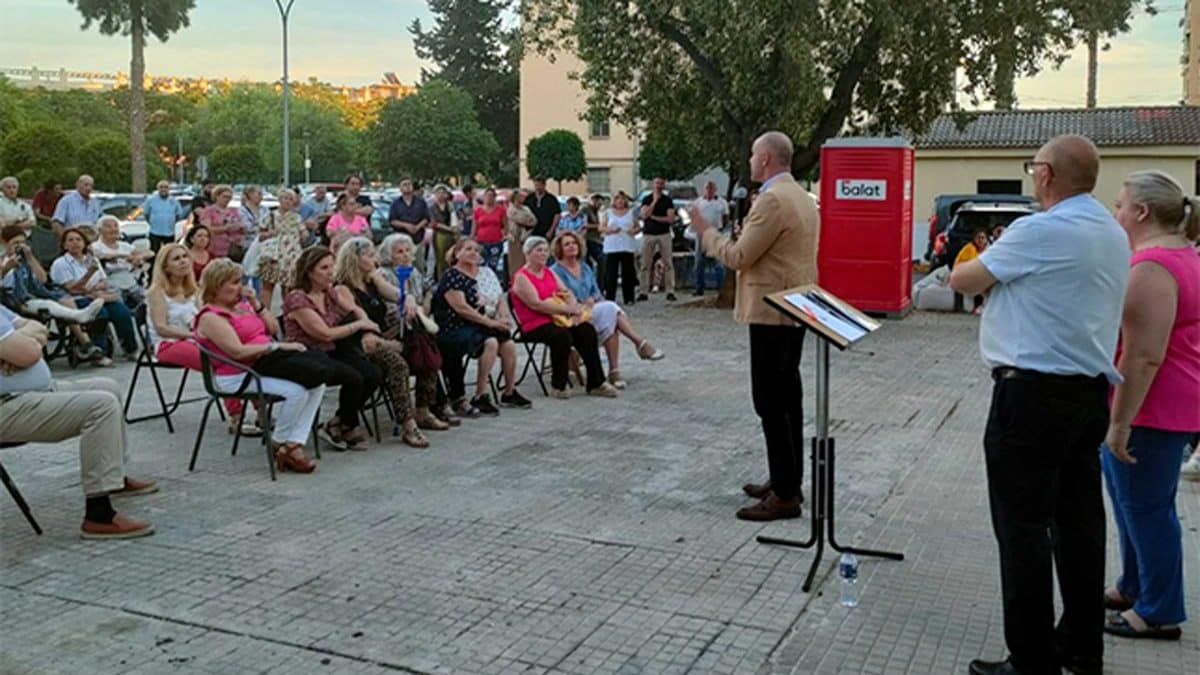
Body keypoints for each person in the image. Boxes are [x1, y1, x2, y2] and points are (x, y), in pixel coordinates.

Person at [949, 135, 1130, 675]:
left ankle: (1030, 658)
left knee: (1022, 529)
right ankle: (1081, 645)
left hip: (1029, 395)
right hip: (1088, 392)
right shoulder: (1109, 231)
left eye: (1034, 169)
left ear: (1047, 173)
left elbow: (964, 279)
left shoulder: (1040, 229)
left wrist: (989, 256)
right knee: (1079, 525)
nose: (1032, 178)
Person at [688, 131, 817, 522]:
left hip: (771, 311)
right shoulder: (800, 196)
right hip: (794, 306)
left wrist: (704, 231)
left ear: (765, 159)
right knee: (787, 396)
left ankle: (785, 495)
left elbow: (739, 256)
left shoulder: (773, 200)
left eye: (752, 154)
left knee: (770, 401)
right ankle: (786, 480)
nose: (748, 160)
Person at [1100, 170, 1199, 642]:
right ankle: (1134, 585)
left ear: (1140, 211)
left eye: (1120, 204)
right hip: (1166, 403)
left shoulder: (1153, 267)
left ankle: (1159, 610)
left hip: (1152, 408)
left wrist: (1120, 422)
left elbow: (1143, 354)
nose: (1115, 213)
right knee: (1133, 504)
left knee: (1148, 508)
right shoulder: (1181, 256)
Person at [0, 303, 158, 538]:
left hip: (33, 392)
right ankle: (99, 513)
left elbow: (37, 328)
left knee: (108, 387)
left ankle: (112, 477)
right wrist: (26, 344)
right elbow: (30, 353)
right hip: (7, 405)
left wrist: (23, 340)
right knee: (100, 406)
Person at [194, 259, 325, 473]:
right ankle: (281, 444)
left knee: (316, 383)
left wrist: (257, 304)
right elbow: (236, 351)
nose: (241, 287)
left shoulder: (243, 306)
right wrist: (274, 347)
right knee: (297, 393)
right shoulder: (211, 317)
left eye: (241, 281)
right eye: (234, 282)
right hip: (237, 374)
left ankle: (290, 444)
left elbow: (273, 328)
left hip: (262, 366)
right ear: (217, 286)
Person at [336, 237, 449, 445]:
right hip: (360, 343)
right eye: (370, 256)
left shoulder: (372, 281)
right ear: (355, 259)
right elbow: (363, 323)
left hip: (381, 336)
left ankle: (423, 409)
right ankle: (408, 424)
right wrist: (386, 342)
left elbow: (398, 295)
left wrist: (409, 299)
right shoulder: (343, 288)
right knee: (398, 365)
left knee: (424, 347)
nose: (375, 259)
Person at [146, 244, 256, 435]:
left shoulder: (194, 290)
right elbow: (161, 328)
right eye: (177, 259)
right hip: (168, 344)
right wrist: (192, 335)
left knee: (240, 352)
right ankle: (236, 416)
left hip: (196, 338)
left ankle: (260, 409)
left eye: (185, 257)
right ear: (165, 267)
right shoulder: (157, 292)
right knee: (219, 359)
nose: (183, 262)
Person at [283, 246, 380, 450]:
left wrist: (366, 325)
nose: (330, 272)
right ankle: (348, 425)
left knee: (373, 374)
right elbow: (323, 333)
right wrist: (359, 325)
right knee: (353, 377)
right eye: (324, 268)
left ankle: (337, 422)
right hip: (307, 354)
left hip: (332, 349)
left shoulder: (329, 291)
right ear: (309, 271)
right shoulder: (297, 298)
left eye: (332, 266)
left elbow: (354, 309)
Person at [549, 231, 663, 388]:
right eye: (567, 244)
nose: (571, 246)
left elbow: (596, 292)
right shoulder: (555, 271)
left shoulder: (585, 267)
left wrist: (592, 300)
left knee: (611, 317)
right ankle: (638, 345)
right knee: (611, 310)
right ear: (560, 249)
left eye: (574, 243)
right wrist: (583, 303)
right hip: (572, 314)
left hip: (591, 309)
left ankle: (616, 370)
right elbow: (560, 297)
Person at [511, 236, 618, 399]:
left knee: (586, 330)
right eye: (538, 250)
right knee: (561, 335)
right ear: (527, 253)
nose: (543, 254)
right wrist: (566, 310)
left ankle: (596, 382)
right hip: (535, 322)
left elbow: (566, 292)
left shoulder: (548, 272)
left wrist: (574, 309)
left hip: (558, 318)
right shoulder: (521, 277)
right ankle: (558, 385)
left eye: (545, 251)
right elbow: (536, 304)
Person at [432, 237, 529, 415]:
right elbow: (462, 309)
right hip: (454, 326)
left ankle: (509, 391)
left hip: (476, 324)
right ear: (457, 253)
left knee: (507, 342)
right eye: (468, 249)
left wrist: (503, 318)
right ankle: (480, 394)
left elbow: (499, 298)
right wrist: (492, 322)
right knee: (490, 342)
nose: (474, 253)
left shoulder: (482, 273)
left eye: (477, 250)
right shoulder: (452, 275)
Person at [379, 233, 460, 426]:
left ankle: (430, 406)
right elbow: (389, 309)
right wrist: (413, 313)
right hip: (395, 328)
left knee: (432, 346)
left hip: (417, 325)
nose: (405, 255)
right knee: (430, 348)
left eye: (408, 251)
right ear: (389, 255)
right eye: (399, 252)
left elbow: (428, 290)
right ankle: (436, 405)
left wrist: (424, 306)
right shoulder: (384, 275)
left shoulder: (413, 272)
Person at [0, 225, 106, 362]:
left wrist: (30, 257)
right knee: (48, 304)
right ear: (4, 243)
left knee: (65, 299)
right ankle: (80, 321)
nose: (20, 246)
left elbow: (43, 279)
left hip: (33, 293)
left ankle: (86, 341)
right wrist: (7, 268)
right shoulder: (3, 260)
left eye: (22, 242)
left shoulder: (26, 259)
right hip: (14, 299)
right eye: (15, 243)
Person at [50, 227, 139, 361]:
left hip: (98, 295)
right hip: (77, 299)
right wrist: (89, 275)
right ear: (64, 245)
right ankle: (99, 352)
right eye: (70, 240)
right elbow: (72, 289)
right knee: (99, 313)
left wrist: (93, 289)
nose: (75, 243)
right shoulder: (60, 263)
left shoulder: (92, 259)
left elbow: (104, 282)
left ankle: (130, 349)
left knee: (122, 312)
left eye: (78, 239)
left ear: (84, 243)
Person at [257, 188, 307, 309]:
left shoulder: (296, 217)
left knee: (288, 287)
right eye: (285, 198)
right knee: (268, 286)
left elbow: (303, 233)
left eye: (291, 199)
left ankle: (288, 313)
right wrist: (270, 234)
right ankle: (265, 313)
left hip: (291, 257)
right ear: (279, 199)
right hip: (273, 255)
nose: (288, 201)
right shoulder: (270, 215)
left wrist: (304, 235)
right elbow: (260, 235)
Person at [90, 215, 151, 306]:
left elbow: (150, 253)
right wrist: (123, 256)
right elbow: (100, 256)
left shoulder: (124, 245)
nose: (113, 229)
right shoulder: (95, 246)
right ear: (99, 230)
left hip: (131, 283)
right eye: (108, 226)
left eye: (115, 226)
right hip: (111, 285)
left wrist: (139, 257)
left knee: (151, 301)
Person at [638, 176, 677, 302]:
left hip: (664, 234)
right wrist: (654, 202)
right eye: (657, 183)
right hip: (648, 234)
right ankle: (643, 291)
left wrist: (654, 217)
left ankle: (670, 291)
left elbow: (670, 219)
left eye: (661, 183)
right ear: (653, 185)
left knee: (668, 263)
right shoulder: (646, 199)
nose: (659, 185)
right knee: (645, 264)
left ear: (663, 185)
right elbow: (644, 215)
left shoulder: (668, 200)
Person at [691, 180, 729, 296]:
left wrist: (720, 228)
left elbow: (726, 216)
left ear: (715, 190)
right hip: (701, 233)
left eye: (711, 188)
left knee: (719, 261)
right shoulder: (698, 202)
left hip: (716, 231)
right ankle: (699, 287)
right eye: (707, 188)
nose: (709, 190)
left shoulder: (721, 202)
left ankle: (721, 287)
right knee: (698, 261)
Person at [601, 191, 640, 304]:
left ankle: (629, 297)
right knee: (610, 273)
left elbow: (637, 227)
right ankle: (610, 297)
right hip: (612, 246)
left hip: (627, 245)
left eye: (622, 199)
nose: (620, 201)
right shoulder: (608, 213)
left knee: (628, 273)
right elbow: (601, 227)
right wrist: (610, 230)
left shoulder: (631, 213)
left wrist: (633, 231)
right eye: (618, 199)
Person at [388, 179, 430, 271]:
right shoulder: (395, 204)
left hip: (418, 239)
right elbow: (392, 220)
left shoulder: (421, 202)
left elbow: (426, 218)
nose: (407, 186)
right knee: (403, 266)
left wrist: (417, 227)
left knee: (419, 266)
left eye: (409, 184)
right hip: (402, 240)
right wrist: (406, 225)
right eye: (404, 184)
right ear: (400, 188)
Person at [237, 185, 270, 292]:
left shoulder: (265, 209)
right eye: (258, 194)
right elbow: (246, 227)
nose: (261, 197)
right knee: (245, 272)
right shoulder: (242, 210)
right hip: (247, 245)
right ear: (250, 195)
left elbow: (269, 225)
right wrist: (260, 227)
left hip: (262, 246)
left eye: (261, 194)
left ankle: (257, 302)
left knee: (258, 275)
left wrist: (258, 226)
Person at [198, 185, 244, 261]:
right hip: (215, 249)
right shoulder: (208, 211)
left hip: (232, 249)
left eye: (229, 197)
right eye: (225, 196)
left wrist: (241, 227)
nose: (227, 199)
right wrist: (226, 228)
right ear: (217, 196)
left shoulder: (234, 211)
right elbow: (206, 229)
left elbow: (241, 229)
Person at [473, 187, 507, 278]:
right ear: (484, 197)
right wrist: (472, 239)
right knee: (481, 265)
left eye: (492, 195)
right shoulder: (478, 210)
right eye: (487, 195)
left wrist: (504, 236)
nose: (489, 197)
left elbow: (505, 225)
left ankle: (493, 284)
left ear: (495, 197)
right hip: (481, 242)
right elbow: (474, 227)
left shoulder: (500, 210)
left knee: (493, 265)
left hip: (495, 242)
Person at [142, 180, 184, 252]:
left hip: (169, 232)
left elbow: (178, 215)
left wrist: (171, 222)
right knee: (154, 253)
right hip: (155, 232)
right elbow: (146, 214)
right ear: (158, 188)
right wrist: (153, 222)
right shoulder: (150, 200)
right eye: (161, 187)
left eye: (166, 187)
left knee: (169, 253)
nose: (163, 189)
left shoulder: (174, 201)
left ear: (169, 189)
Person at [430, 184, 461, 280]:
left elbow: (459, 217)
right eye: (438, 192)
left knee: (453, 257)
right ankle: (441, 280)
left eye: (443, 192)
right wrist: (449, 229)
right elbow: (434, 223)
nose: (441, 194)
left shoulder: (451, 206)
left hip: (453, 235)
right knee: (441, 259)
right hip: (440, 234)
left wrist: (457, 227)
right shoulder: (432, 207)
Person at [506, 189, 537, 277]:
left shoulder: (526, 208)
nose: (522, 198)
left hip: (526, 237)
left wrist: (527, 220)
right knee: (515, 263)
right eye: (519, 196)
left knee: (525, 261)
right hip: (515, 238)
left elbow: (534, 221)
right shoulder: (511, 209)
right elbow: (520, 219)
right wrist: (527, 219)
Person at [582, 193, 606, 281]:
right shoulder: (586, 210)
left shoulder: (597, 212)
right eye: (597, 202)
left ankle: (600, 284)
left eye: (600, 203)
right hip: (588, 239)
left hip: (597, 240)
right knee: (597, 261)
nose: (599, 205)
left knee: (602, 262)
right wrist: (598, 226)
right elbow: (584, 224)